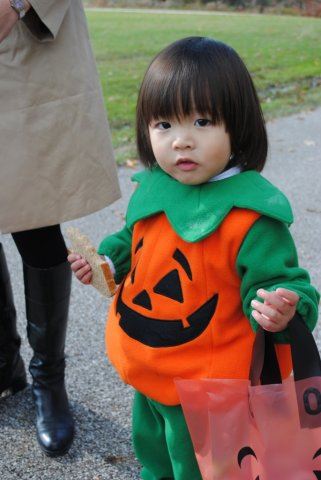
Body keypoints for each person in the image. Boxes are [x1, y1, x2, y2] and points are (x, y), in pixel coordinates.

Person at [68, 37, 320, 479]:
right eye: (164, 125)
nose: (181, 142)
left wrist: (284, 305)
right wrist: (107, 262)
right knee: (153, 454)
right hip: (147, 366)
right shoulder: (155, 189)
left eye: (202, 121)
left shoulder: (250, 219)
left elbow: (286, 281)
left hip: (206, 386)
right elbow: (132, 238)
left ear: (237, 127)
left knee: (200, 468)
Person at [0, 0, 120, 457]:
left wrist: (17, 5)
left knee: (33, 207)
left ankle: (48, 379)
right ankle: (3, 363)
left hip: (24, 39)